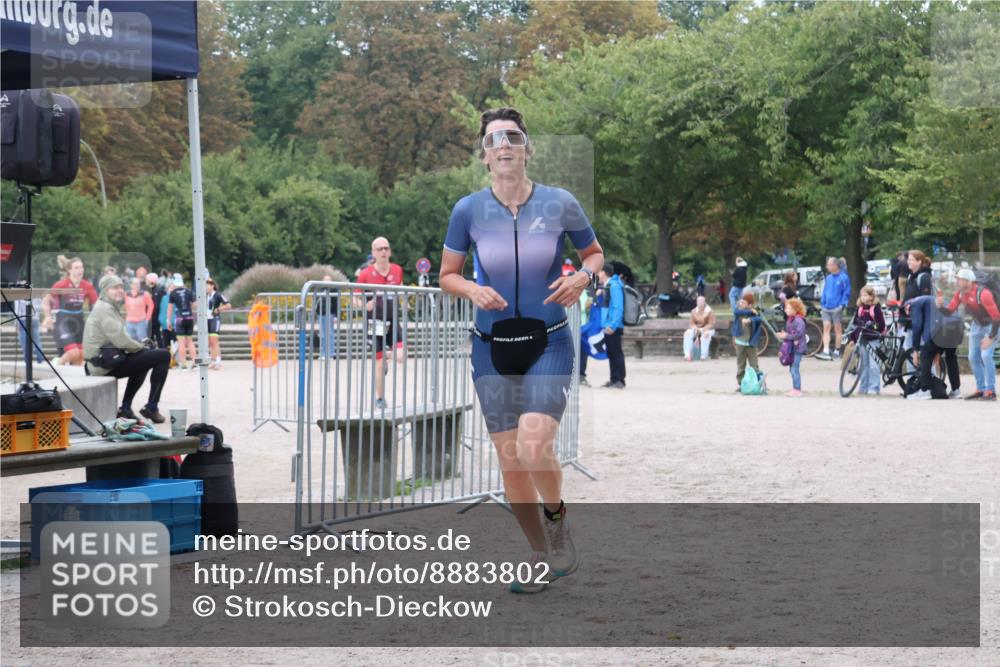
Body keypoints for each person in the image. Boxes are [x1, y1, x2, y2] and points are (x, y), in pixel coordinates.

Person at [440, 106, 604, 593]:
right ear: (485, 157)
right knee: (511, 461)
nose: (504, 145)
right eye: (494, 139)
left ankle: (556, 522)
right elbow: (447, 274)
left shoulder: (559, 203)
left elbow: (594, 255)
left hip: (547, 341)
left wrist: (581, 276)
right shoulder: (467, 210)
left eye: (512, 136)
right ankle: (541, 554)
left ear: (527, 149)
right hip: (491, 348)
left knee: (535, 443)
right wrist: (471, 290)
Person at [82, 274, 169, 423]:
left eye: (121, 287)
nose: (120, 290)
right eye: (115, 287)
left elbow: (121, 339)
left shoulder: (107, 306)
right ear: (105, 290)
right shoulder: (104, 309)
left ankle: (126, 409)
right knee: (163, 356)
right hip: (102, 366)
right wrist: (141, 346)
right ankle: (151, 407)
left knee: (144, 358)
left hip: (104, 361)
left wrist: (141, 347)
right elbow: (122, 341)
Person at [355, 237, 406, 410]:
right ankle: (380, 398)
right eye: (380, 249)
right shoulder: (366, 273)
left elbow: (402, 287)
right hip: (375, 322)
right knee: (377, 363)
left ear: (390, 251)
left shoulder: (397, 270)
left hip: (393, 321)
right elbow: (355, 297)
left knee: (400, 357)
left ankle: (386, 355)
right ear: (374, 253)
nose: (384, 252)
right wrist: (363, 304)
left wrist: (404, 300)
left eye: (386, 248)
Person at [937, 268, 999, 401]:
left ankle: (991, 391)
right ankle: (981, 389)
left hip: (992, 325)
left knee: (986, 356)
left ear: (968, 281)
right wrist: (940, 306)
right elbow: (949, 311)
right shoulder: (960, 294)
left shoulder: (983, 294)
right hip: (977, 325)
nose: (957, 282)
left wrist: (990, 337)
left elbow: (996, 318)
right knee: (972, 357)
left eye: (959, 279)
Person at [41, 255, 98, 366]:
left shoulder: (87, 285)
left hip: (79, 321)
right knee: (73, 352)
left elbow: (96, 304)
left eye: (81, 267)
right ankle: (57, 363)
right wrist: (47, 317)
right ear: (69, 270)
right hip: (63, 321)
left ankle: (73, 382)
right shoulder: (61, 284)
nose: (80, 270)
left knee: (81, 355)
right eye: (76, 268)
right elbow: (46, 299)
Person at [907, 294, 962, 400]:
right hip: (957, 327)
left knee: (925, 355)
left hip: (940, 329)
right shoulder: (936, 299)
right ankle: (956, 390)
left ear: (907, 306)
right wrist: (937, 351)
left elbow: (917, 326)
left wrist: (915, 350)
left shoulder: (915, 304)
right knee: (951, 357)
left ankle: (925, 390)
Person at [849, 285, 887, 395]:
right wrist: (853, 338)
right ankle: (863, 387)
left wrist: (872, 327)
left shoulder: (875, 309)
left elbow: (881, 325)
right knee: (864, 365)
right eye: (862, 295)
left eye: (865, 295)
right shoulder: (860, 309)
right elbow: (855, 325)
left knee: (873, 365)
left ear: (871, 296)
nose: (863, 297)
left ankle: (874, 388)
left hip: (873, 339)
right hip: (862, 340)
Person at [816, 256, 851, 361]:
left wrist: (842, 305)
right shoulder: (829, 277)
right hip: (826, 307)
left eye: (829, 265)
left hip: (837, 307)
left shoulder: (844, 277)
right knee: (826, 327)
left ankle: (836, 351)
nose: (827, 267)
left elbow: (846, 292)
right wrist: (822, 302)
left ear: (835, 265)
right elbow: (825, 290)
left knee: (837, 328)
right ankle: (826, 350)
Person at [600, 263, 626, 388]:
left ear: (604, 273)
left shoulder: (614, 286)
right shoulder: (609, 285)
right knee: (611, 352)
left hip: (613, 325)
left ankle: (619, 380)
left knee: (616, 352)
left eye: (599, 272)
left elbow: (618, 307)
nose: (597, 275)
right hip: (609, 325)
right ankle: (614, 379)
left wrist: (613, 325)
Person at [776, 296, 808, 397]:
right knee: (792, 368)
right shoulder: (790, 319)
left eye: (788, 308)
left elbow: (799, 334)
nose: (786, 310)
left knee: (794, 368)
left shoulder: (798, 320)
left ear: (795, 309)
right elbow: (791, 333)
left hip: (798, 348)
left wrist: (787, 336)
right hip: (792, 348)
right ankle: (795, 388)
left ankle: (797, 389)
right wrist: (784, 335)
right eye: (786, 308)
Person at [732, 292, 763, 388]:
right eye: (740, 302)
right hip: (740, 343)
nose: (741, 304)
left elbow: (759, 318)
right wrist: (751, 311)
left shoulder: (755, 313)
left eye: (743, 303)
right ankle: (741, 385)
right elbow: (736, 312)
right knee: (741, 366)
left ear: (749, 305)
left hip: (751, 343)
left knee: (754, 365)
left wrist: (751, 320)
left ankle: (759, 384)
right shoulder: (739, 311)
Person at [167, 274, 198, 371]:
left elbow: (170, 308)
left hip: (180, 319)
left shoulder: (173, 293)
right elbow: (194, 304)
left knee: (181, 342)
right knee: (190, 341)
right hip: (189, 318)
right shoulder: (189, 291)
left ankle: (183, 364)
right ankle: (194, 363)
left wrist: (168, 321)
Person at [205, 278, 231, 370]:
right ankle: (213, 361)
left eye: (207, 285)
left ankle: (218, 362)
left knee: (214, 341)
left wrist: (218, 309)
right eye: (205, 285)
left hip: (215, 319)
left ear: (212, 286)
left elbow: (228, 305)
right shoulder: (205, 295)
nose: (205, 287)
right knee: (209, 342)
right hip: (207, 320)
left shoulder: (218, 295)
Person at [683, 295, 716, 361]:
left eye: (701, 301)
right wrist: (695, 328)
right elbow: (691, 323)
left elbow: (711, 323)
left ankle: (703, 356)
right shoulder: (693, 311)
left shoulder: (710, 311)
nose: (700, 302)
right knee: (687, 333)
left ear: (704, 302)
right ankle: (687, 354)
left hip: (708, 329)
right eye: (698, 301)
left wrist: (702, 329)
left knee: (705, 335)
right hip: (696, 329)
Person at [314, 274, 338, 360]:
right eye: (325, 280)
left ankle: (331, 354)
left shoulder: (334, 289)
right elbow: (316, 302)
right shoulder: (320, 289)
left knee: (330, 334)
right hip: (321, 313)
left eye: (329, 280)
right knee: (323, 335)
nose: (327, 281)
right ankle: (323, 354)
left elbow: (336, 303)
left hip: (330, 313)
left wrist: (336, 316)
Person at [123, 277, 154, 343]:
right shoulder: (126, 294)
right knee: (131, 342)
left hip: (141, 322)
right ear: (131, 285)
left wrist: (148, 318)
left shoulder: (145, 294)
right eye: (135, 284)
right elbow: (123, 306)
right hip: (129, 323)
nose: (137, 286)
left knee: (142, 342)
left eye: (138, 284)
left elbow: (151, 305)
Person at [147, 272, 164, 348]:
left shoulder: (160, 290)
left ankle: (161, 350)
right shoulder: (146, 290)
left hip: (157, 317)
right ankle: (151, 351)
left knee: (157, 335)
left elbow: (161, 304)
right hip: (148, 317)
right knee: (150, 336)